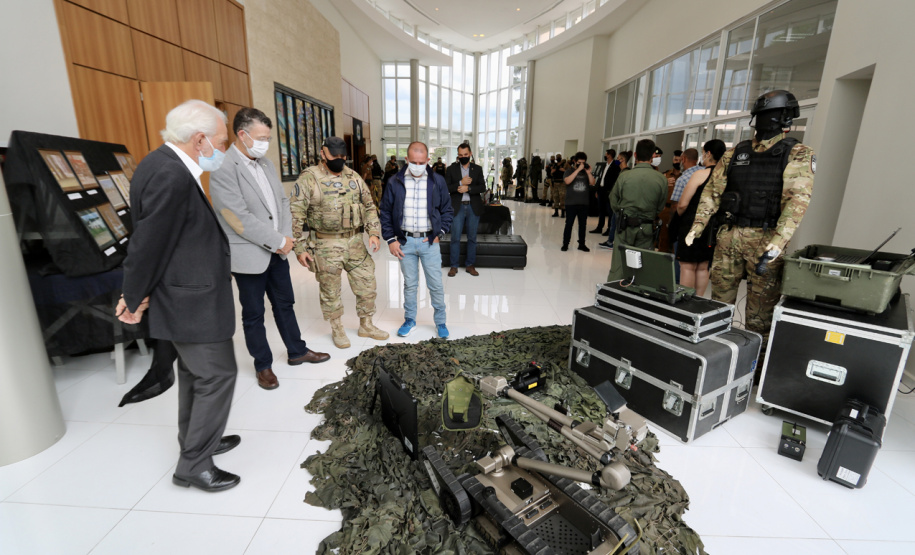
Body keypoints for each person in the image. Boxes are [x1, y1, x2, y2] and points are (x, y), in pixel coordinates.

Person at [116, 99, 240, 492]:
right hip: (192, 301)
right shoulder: (170, 174)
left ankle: (198, 440)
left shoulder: (160, 163)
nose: (223, 149)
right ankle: (194, 464)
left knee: (195, 373)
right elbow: (148, 244)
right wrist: (133, 296)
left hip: (187, 295)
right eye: (222, 142)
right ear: (200, 139)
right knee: (218, 374)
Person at [686, 90, 815, 368]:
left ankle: (753, 365)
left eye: (772, 115)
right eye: (762, 115)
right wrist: (698, 225)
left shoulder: (797, 153)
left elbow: (797, 201)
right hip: (729, 236)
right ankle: (715, 359)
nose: (765, 121)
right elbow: (712, 192)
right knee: (719, 305)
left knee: (759, 313)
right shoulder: (735, 153)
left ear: (784, 117)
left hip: (765, 240)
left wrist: (779, 241)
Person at [210, 107, 329, 390]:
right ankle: (262, 365)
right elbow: (237, 218)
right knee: (253, 314)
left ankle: (297, 351)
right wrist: (277, 241)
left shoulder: (266, 164)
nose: (266, 143)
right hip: (250, 255)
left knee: (285, 303)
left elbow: (282, 202)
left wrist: (286, 238)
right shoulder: (223, 168)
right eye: (261, 138)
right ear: (242, 135)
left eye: (268, 138)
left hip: (278, 252)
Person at [290, 137, 389, 349]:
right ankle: (337, 329)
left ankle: (366, 324)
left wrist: (373, 232)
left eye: (343, 157)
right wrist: (299, 247)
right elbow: (296, 214)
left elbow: (369, 206)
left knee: (367, 284)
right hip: (325, 245)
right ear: (323, 153)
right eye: (334, 156)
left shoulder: (353, 176)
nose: (339, 160)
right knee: (330, 290)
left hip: (355, 242)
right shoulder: (309, 178)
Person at [380, 141, 453, 339]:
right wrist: (390, 239)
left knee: (435, 284)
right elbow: (385, 211)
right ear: (407, 160)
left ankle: (440, 322)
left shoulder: (437, 181)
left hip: (429, 242)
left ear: (428, 160)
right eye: (414, 162)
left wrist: (440, 232)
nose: (418, 166)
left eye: (422, 162)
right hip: (405, 242)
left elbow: (447, 210)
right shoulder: (394, 181)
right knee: (410, 284)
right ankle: (410, 320)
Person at [607, 139, 668, 281]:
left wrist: (621, 212)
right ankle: (638, 289)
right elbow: (660, 206)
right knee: (642, 264)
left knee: (619, 264)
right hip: (646, 227)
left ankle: (615, 289)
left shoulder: (625, 176)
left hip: (624, 225)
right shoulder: (661, 179)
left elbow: (613, 199)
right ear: (653, 156)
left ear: (635, 155)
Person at [676, 140, 726, 296]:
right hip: (712, 227)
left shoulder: (700, 174)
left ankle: (685, 301)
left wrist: (680, 216)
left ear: (708, 154)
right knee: (703, 266)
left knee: (687, 266)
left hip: (693, 224)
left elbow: (683, 204)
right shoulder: (725, 176)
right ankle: (698, 300)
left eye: (703, 152)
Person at [446, 142, 486, 277]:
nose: (463, 157)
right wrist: (460, 183)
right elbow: (446, 187)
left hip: (473, 207)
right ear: (458, 155)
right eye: (460, 155)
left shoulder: (477, 169)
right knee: (455, 238)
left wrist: (468, 188)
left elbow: (482, 187)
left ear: (470, 154)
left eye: (465, 154)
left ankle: (470, 265)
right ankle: (454, 266)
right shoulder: (451, 169)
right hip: (457, 207)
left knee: (472, 238)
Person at [561, 151, 596, 252]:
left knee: (582, 225)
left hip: (583, 203)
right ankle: (565, 244)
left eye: (583, 163)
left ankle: (581, 244)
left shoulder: (586, 172)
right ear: (575, 162)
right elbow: (567, 181)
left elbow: (592, 182)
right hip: (571, 203)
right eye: (579, 162)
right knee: (569, 224)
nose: (581, 164)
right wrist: (577, 170)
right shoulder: (569, 171)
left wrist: (588, 172)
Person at [591, 149, 619, 235]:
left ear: (609, 155)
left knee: (609, 211)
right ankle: (599, 227)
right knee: (601, 210)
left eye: (606, 154)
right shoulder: (604, 165)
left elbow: (615, 179)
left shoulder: (615, 165)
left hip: (608, 191)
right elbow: (600, 178)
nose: (605, 155)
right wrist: (597, 190)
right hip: (601, 190)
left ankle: (609, 229)